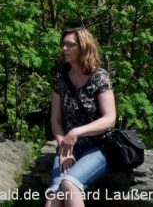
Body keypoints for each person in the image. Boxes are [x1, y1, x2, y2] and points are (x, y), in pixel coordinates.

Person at [45, 27, 116, 207]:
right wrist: (63, 148)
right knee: (55, 191)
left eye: (70, 45)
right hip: (69, 147)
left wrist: (77, 131)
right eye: (63, 44)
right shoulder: (60, 78)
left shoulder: (99, 77)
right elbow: (56, 120)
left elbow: (110, 119)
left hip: (98, 146)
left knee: (69, 183)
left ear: (83, 47)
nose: (64, 48)